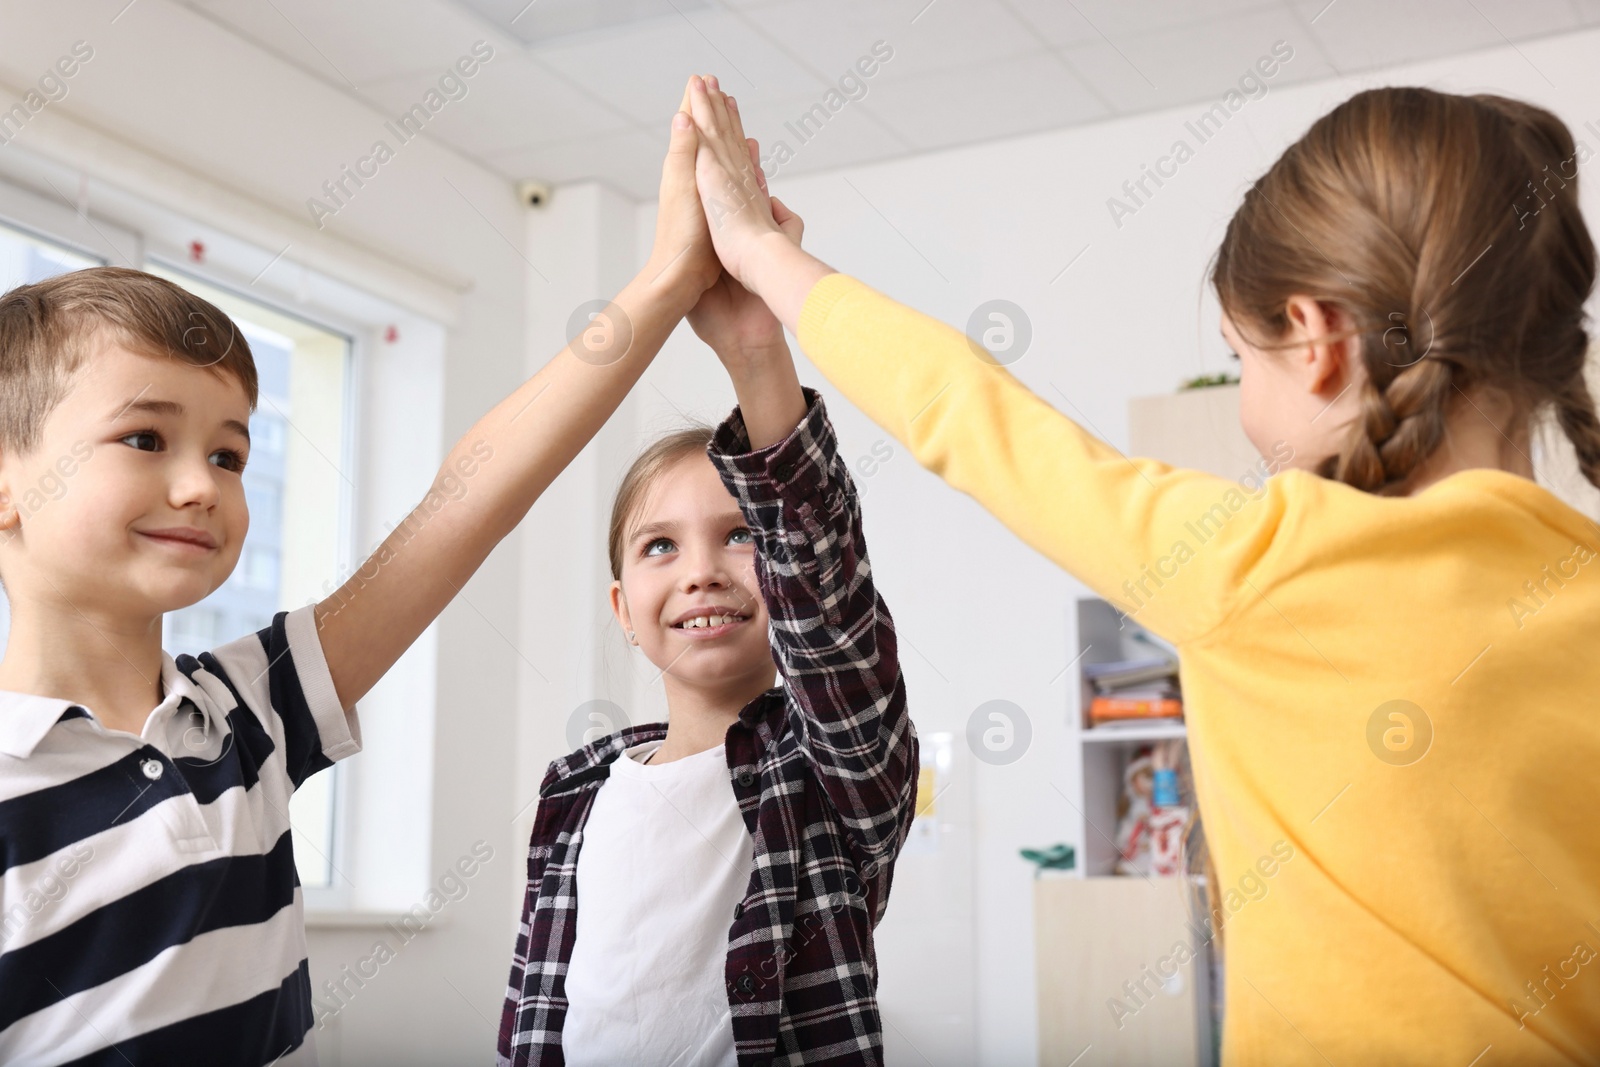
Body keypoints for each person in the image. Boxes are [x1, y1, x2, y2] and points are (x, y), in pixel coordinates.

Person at [682, 74, 1600, 1062]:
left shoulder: (1259, 565)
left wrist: (759, 252)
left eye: (1240, 357)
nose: (1246, 398)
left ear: (1319, 340)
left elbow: (971, 415)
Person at [0, 92, 727, 1064]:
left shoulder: (244, 711)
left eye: (228, 454)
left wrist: (669, 281)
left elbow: (468, 500)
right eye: (145, 436)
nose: (200, 485)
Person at [498, 83, 917, 1067]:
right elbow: (532, 1007)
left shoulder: (827, 774)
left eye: (737, 536)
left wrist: (755, 351)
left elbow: (828, 588)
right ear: (624, 611)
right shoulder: (575, 788)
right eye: (658, 546)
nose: (699, 572)